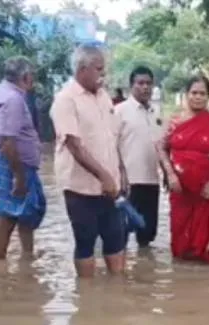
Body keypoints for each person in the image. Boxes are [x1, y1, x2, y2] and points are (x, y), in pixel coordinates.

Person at [50, 45, 127, 278]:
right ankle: (86, 294)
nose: (104, 75)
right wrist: (104, 176)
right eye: (99, 69)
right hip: (80, 189)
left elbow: (112, 138)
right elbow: (74, 146)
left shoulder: (104, 97)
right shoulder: (65, 100)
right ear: (82, 69)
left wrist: (121, 173)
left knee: (116, 240)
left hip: (110, 187)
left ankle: (117, 291)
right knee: (85, 243)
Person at [0, 56, 47, 269]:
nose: (33, 80)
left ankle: (26, 259)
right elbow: (7, 141)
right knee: (8, 217)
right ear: (25, 77)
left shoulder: (5, 91)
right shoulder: (13, 99)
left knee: (26, 215)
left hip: (13, 163)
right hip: (9, 165)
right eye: (32, 75)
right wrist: (19, 177)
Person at [157, 75, 209, 263]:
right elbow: (160, 147)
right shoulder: (175, 121)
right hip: (180, 189)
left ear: (208, 96)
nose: (198, 97)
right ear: (187, 94)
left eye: (202, 93)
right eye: (194, 93)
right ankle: (182, 275)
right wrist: (170, 174)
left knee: (205, 239)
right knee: (180, 236)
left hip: (206, 190)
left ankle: (203, 276)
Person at [116, 66, 164, 249]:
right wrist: (120, 174)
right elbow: (111, 146)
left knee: (147, 233)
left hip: (152, 180)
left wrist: (166, 173)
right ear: (131, 86)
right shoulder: (119, 111)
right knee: (122, 232)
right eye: (140, 83)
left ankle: (144, 265)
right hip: (129, 182)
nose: (145, 87)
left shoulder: (156, 113)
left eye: (149, 83)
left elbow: (161, 146)